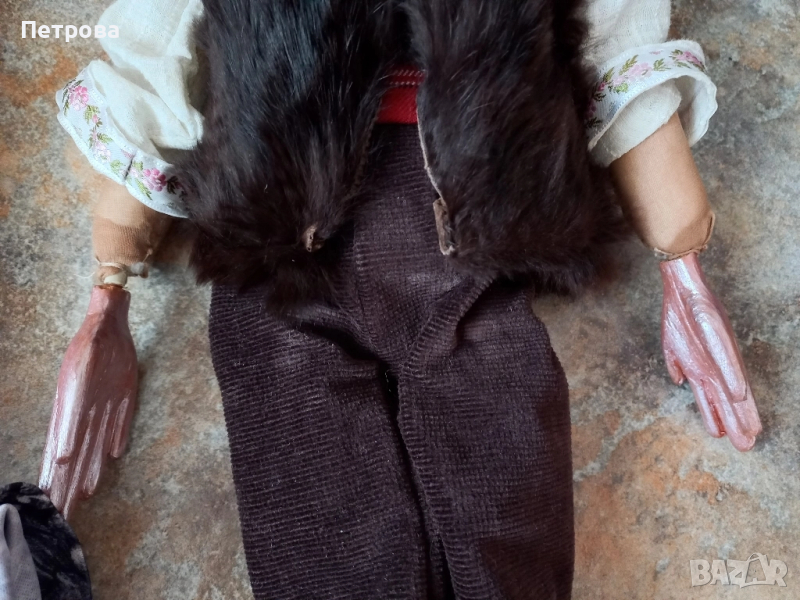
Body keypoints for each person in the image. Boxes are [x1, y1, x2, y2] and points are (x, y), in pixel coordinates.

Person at [41, 0, 762, 597]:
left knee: (509, 528)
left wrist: (681, 254)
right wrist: (109, 290)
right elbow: (155, 64)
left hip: (474, 235)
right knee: (322, 538)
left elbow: (616, 45)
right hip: (280, 250)